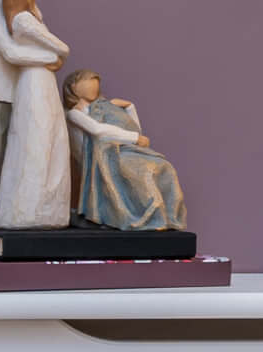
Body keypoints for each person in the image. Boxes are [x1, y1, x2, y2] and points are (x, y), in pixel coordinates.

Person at [0, 0, 72, 227]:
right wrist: (51, 58)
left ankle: (20, 217)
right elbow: (10, 51)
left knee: (29, 151)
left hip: (25, 89)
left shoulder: (28, 10)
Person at [64, 69, 189, 232]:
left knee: (165, 167)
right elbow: (98, 130)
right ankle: (149, 217)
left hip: (126, 150)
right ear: (74, 87)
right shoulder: (75, 114)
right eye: (87, 81)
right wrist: (134, 138)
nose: (94, 85)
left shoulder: (105, 107)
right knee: (144, 172)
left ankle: (169, 218)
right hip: (106, 157)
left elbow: (135, 128)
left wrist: (130, 108)